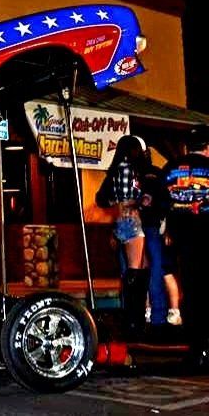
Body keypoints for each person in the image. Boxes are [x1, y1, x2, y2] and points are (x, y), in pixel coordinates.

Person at [163, 125, 209, 366]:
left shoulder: (171, 169)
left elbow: (158, 202)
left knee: (191, 292)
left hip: (185, 241)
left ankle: (196, 348)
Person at [98, 135, 148, 338]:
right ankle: (133, 320)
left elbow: (108, 198)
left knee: (138, 268)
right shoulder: (128, 168)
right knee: (135, 271)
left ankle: (135, 317)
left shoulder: (117, 168)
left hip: (124, 219)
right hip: (131, 219)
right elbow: (128, 198)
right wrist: (140, 201)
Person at [138, 146, 182, 327]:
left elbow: (164, 203)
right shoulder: (157, 175)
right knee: (158, 271)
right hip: (155, 228)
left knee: (160, 271)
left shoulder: (150, 177)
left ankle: (162, 312)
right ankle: (163, 312)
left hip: (153, 227)